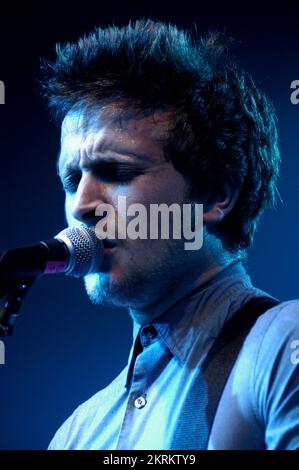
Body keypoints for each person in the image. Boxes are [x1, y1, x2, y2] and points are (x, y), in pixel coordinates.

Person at [41, 19, 299, 450]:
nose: (82, 205)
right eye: (71, 179)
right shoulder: (76, 434)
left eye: (116, 171)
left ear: (216, 195)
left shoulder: (283, 347)